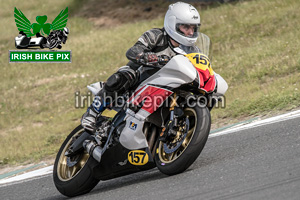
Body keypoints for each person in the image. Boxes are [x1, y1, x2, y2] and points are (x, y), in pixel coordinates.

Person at [81, 2, 211, 133]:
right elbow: (133, 50)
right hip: (141, 78)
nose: (190, 32)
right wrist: (145, 56)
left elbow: (200, 68)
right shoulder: (156, 36)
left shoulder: (194, 50)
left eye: (194, 28)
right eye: (186, 27)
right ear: (172, 23)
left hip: (169, 86)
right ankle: (91, 114)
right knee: (123, 76)